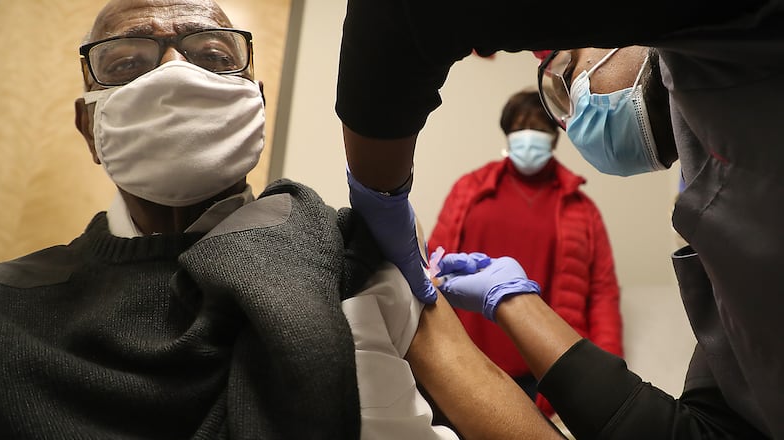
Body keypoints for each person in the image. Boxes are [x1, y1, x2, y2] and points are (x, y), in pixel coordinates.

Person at [0, 1, 566, 438]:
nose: (173, 74)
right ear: (89, 126)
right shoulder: (13, 307)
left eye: (213, 57)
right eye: (126, 64)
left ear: (255, 103)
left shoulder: (353, 249)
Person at [335, 1, 784, 438]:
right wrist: (515, 303)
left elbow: (407, 13)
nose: (572, 116)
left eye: (565, 68)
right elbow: (708, 428)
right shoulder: (726, 233)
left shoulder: (743, 37)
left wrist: (378, 193)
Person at [427, 89, 623, 417]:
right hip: (465, 363)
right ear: (507, 133)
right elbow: (433, 266)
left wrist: (607, 379)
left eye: (539, 128)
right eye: (520, 128)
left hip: (542, 374)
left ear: (555, 137)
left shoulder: (581, 209)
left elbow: (602, 295)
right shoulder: (469, 191)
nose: (529, 137)